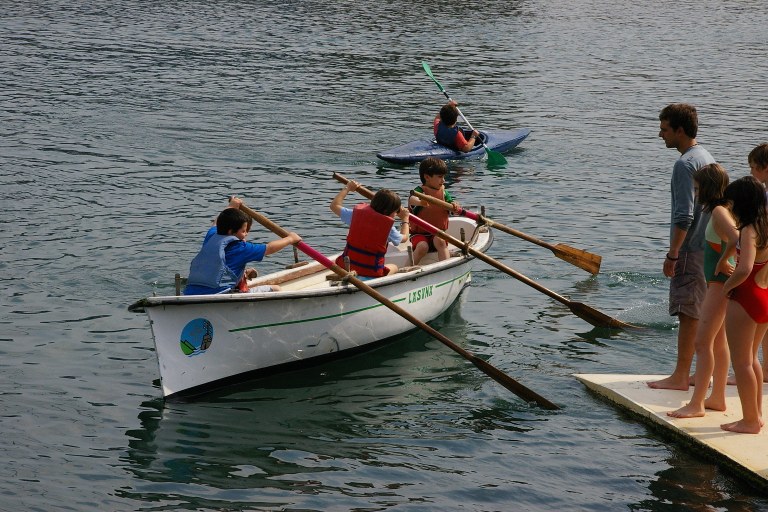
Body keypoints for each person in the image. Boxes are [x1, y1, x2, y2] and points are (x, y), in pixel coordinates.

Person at [648, 103, 716, 390]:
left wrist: (673, 254)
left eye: (664, 129)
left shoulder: (684, 164)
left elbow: (684, 215)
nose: (660, 134)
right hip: (710, 248)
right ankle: (702, 374)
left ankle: (680, 377)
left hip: (691, 249)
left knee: (688, 314)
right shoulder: (706, 157)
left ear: (679, 130)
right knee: (705, 313)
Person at [667, 163, 737, 418]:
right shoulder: (724, 209)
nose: (695, 194)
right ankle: (717, 397)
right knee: (718, 342)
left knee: (702, 342)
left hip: (718, 283)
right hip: (717, 283)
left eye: (697, 189)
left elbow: (736, 238)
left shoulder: (718, 210)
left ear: (707, 188)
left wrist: (725, 260)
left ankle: (696, 404)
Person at [720, 176, 768, 434]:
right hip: (764, 295)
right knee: (752, 360)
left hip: (746, 296)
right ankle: (756, 416)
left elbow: (744, 268)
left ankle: (749, 421)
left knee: (741, 363)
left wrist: (727, 288)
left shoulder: (749, 230)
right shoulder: (765, 227)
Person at [184, 197, 301, 295]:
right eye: (243, 231)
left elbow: (216, 222)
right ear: (231, 231)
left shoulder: (212, 236)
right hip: (221, 295)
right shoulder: (240, 248)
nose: (246, 234)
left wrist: (231, 206)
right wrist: (290, 239)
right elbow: (269, 248)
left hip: (190, 293)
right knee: (277, 289)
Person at [330, 180, 409, 278]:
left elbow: (334, 206)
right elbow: (404, 238)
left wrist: (347, 188)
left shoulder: (356, 215)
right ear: (388, 211)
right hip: (371, 272)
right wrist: (405, 218)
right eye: (396, 211)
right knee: (395, 267)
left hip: (346, 267)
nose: (396, 214)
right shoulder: (388, 228)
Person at [408, 157, 461, 265]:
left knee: (440, 241)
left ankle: (446, 266)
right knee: (423, 247)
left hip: (438, 234)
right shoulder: (420, 191)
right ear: (427, 177)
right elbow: (412, 199)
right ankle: (408, 268)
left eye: (443, 177)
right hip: (419, 235)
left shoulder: (444, 193)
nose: (443, 180)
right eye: (440, 177)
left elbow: (451, 205)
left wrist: (454, 205)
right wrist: (421, 202)